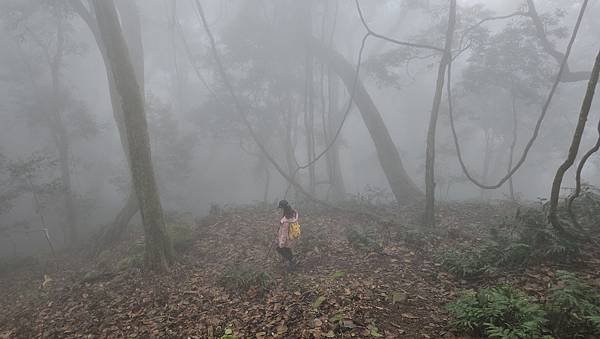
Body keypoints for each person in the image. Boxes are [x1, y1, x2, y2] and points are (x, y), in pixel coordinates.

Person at [276, 199, 298, 270]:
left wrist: (281, 243)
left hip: (288, 238)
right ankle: (292, 261)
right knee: (287, 249)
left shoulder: (286, 221)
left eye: (281, 208)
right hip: (293, 236)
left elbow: (284, 234)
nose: (280, 210)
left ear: (283, 208)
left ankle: (292, 260)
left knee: (280, 249)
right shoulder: (293, 214)